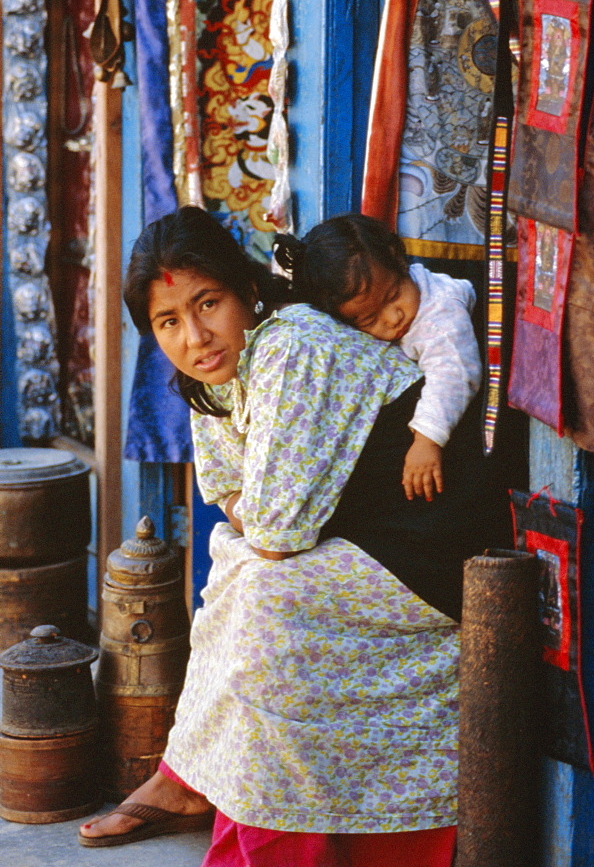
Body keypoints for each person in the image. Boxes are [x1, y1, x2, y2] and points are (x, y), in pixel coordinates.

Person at [79, 205, 477, 867]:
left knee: (259, 593)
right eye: (168, 322)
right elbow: (226, 489)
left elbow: (272, 527)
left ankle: (265, 830)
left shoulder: (290, 342)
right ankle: (194, 781)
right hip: (362, 536)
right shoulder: (212, 376)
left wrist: (254, 523)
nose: (196, 336)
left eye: (208, 303)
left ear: (248, 292)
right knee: (236, 582)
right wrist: (253, 522)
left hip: (430, 540)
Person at [273, 214, 481, 502]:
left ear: (399, 260)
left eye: (395, 295)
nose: (394, 317)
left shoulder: (440, 315)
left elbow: (455, 375)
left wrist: (427, 440)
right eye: (371, 319)